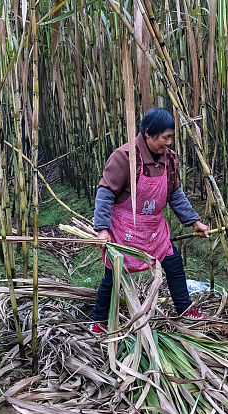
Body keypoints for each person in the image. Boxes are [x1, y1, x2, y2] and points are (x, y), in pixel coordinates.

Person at [89, 107, 209, 334]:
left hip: (154, 228)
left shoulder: (169, 159)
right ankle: (99, 321)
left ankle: (184, 309)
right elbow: (105, 193)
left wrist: (194, 221)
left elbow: (175, 194)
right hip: (125, 228)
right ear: (147, 134)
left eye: (171, 137)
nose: (169, 143)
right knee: (114, 274)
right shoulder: (124, 157)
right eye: (165, 137)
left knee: (173, 263)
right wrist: (102, 229)